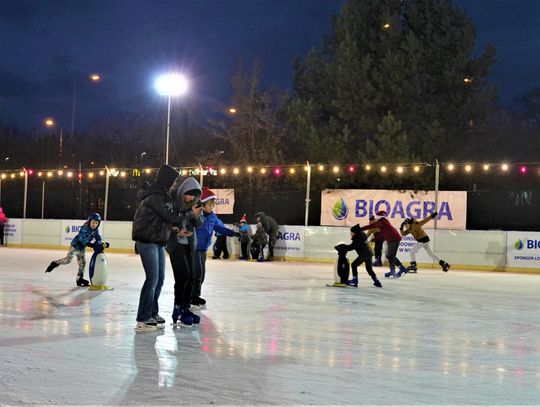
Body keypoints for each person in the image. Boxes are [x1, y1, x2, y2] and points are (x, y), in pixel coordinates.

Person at [132, 164, 187, 331]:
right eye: (173, 180)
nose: (174, 184)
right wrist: (190, 213)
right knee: (152, 279)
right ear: (166, 180)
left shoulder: (162, 195)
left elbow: (162, 220)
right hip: (147, 241)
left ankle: (152, 312)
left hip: (157, 241)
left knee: (160, 279)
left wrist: (173, 230)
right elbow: (170, 216)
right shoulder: (156, 195)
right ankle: (143, 317)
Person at [193, 187, 239, 307]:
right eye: (210, 204)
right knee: (197, 274)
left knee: (201, 275)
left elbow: (221, 228)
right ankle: (192, 297)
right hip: (194, 249)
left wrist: (233, 233)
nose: (212, 207)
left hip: (203, 249)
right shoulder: (197, 215)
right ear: (202, 204)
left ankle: (195, 295)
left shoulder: (213, 217)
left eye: (213, 205)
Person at [167, 176, 204, 326]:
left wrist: (196, 216)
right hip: (175, 244)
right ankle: (177, 307)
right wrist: (176, 232)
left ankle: (185, 308)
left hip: (189, 245)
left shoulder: (195, 204)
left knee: (191, 277)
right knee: (183, 276)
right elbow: (167, 222)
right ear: (183, 192)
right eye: (189, 194)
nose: (192, 198)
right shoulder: (173, 204)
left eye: (195, 195)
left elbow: (199, 224)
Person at [45, 212, 109, 287]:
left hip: (82, 249)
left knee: (82, 263)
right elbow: (82, 238)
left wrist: (103, 243)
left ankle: (79, 278)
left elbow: (98, 238)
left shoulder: (95, 230)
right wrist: (90, 244)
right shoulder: (84, 228)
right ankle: (55, 263)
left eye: (96, 223)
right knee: (68, 260)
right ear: (89, 221)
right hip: (75, 246)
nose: (94, 225)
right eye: (93, 222)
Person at [360, 210, 408, 278]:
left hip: (394, 239)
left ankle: (402, 268)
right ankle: (392, 271)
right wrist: (374, 239)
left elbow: (370, 226)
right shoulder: (382, 222)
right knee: (390, 256)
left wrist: (360, 229)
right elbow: (382, 234)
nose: (372, 221)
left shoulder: (381, 221)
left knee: (390, 256)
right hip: (390, 239)